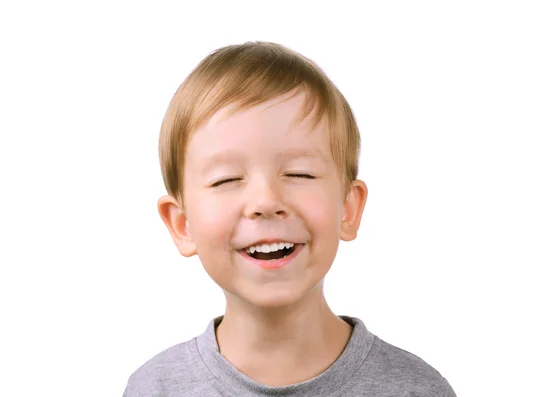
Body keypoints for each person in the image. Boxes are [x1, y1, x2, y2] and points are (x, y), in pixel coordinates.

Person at [122, 41, 456, 397]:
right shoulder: (155, 388)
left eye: (299, 174)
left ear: (348, 208)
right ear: (182, 225)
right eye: (227, 180)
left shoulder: (415, 390)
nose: (266, 202)